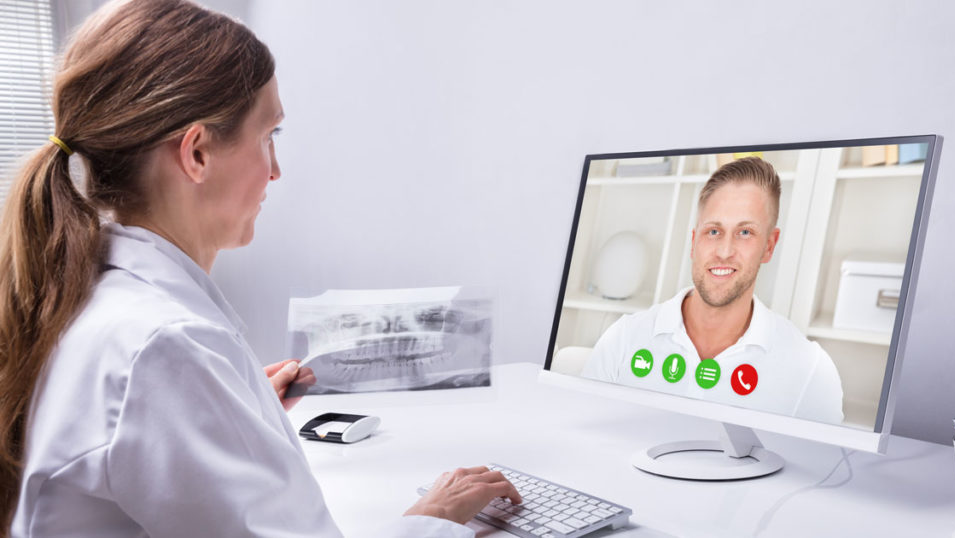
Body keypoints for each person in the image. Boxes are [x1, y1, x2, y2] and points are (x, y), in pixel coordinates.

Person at [0, 1, 519, 536]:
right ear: (197, 153)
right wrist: (429, 521)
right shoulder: (164, 348)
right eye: (270, 135)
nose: (275, 170)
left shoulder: (90, 298)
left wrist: (230, 410)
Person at [582, 157, 844, 424]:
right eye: (714, 231)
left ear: (769, 246)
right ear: (694, 242)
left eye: (744, 232)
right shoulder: (623, 340)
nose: (724, 251)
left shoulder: (811, 372)